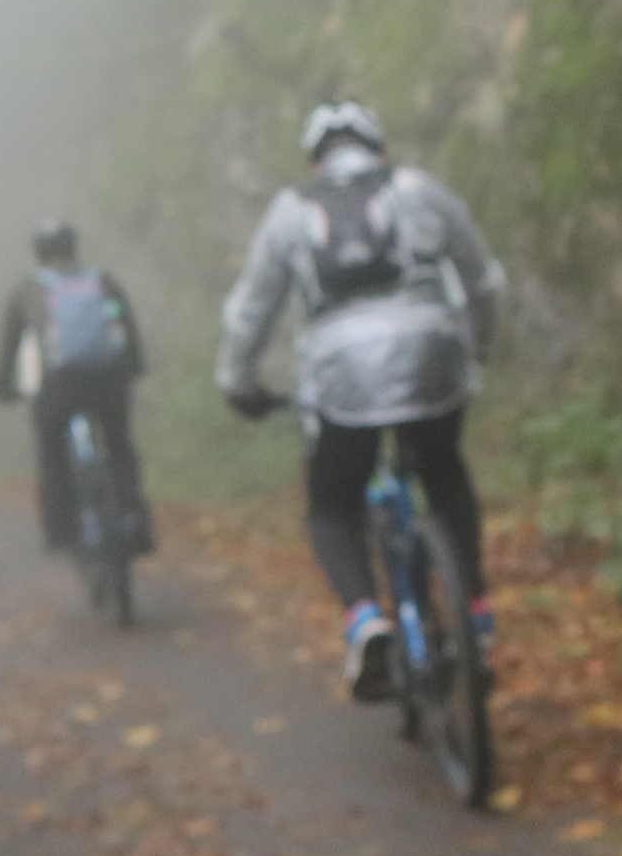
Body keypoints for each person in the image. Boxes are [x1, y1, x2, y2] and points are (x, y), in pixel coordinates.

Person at [218, 101, 509, 700]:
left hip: (340, 370)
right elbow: (481, 278)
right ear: (378, 147)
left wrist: (238, 383)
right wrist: (476, 349)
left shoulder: (290, 211)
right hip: (431, 351)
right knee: (445, 474)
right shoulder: (417, 188)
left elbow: (252, 310)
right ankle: (476, 609)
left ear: (315, 159)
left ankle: (366, 619)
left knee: (331, 506)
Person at [0, 218, 151, 557]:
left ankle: (61, 532)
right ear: (73, 247)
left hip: (58, 386)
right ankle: (134, 520)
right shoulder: (103, 280)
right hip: (108, 381)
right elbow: (127, 328)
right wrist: (134, 368)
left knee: (52, 454)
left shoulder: (29, 288)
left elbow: (10, 345)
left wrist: (2, 386)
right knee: (119, 447)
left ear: (39, 252)